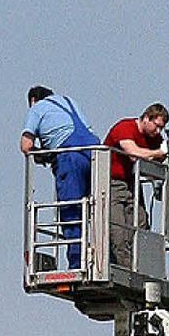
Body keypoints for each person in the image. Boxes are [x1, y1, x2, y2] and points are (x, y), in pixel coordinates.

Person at [21, 86, 100, 270]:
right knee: (97, 210)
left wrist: (42, 155)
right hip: (95, 152)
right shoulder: (69, 101)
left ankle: (76, 263)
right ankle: (103, 260)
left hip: (69, 155)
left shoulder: (37, 108)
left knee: (71, 211)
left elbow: (26, 145)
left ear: (33, 99)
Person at [103, 103, 169, 268]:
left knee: (141, 224)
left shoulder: (154, 139)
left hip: (132, 183)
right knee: (118, 231)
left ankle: (139, 266)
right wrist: (158, 153)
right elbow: (133, 152)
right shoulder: (125, 127)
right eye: (156, 126)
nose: (158, 132)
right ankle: (124, 268)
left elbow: (161, 157)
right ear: (147, 118)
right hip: (112, 182)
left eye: (161, 128)